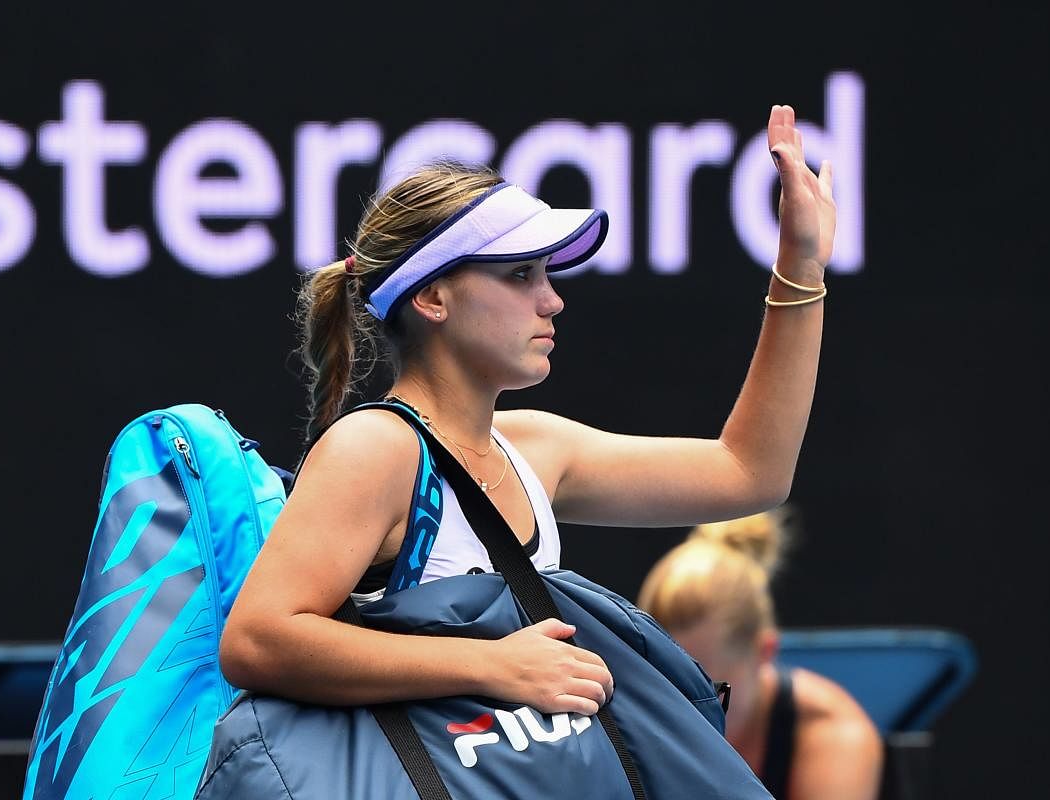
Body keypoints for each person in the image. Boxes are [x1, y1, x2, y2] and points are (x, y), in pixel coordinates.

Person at [218, 105, 834, 721]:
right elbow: (257, 639)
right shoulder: (374, 448)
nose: (553, 300)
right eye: (520, 275)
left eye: (546, 273)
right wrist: (490, 665)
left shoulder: (536, 447)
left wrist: (801, 264)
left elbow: (751, 472)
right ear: (433, 297)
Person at [637, 509, 884, 800]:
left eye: (708, 691)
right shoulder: (631, 713)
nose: (684, 712)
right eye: (665, 686)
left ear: (764, 652)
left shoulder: (833, 734)